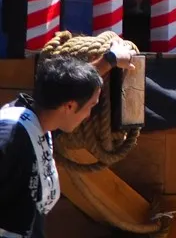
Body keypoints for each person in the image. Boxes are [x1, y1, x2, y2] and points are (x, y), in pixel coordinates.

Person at [1, 41, 135, 238]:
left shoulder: (43, 118)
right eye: (90, 106)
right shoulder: (9, 137)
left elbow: (73, 85)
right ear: (70, 106)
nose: (88, 115)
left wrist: (110, 60)